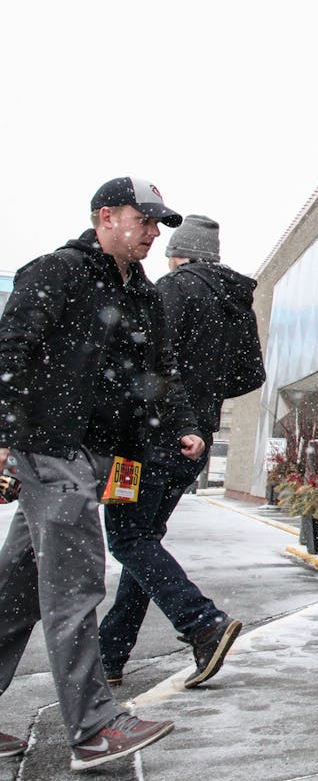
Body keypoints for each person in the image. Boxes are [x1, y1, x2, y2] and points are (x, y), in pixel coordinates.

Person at [0, 177, 205, 770]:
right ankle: (94, 728)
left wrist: (183, 424)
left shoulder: (142, 295)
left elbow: (161, 372)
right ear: (105, 216)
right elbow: (10, 351)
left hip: (93, 455)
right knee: (74, 587)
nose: (151, 233)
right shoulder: (56, 271)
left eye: (157, 225)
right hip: (49, 447)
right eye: (143, 221)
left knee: (15, 594)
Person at [99, 215, 254, 690]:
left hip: (149, 437)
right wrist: (205, 398)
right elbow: (253, 374)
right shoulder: (237, 304)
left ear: (179, 253)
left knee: (129, 540)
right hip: (196, 440)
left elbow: (143, 359)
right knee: (143, 542)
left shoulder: (171, 289)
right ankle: (109, 654)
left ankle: (202, 623)